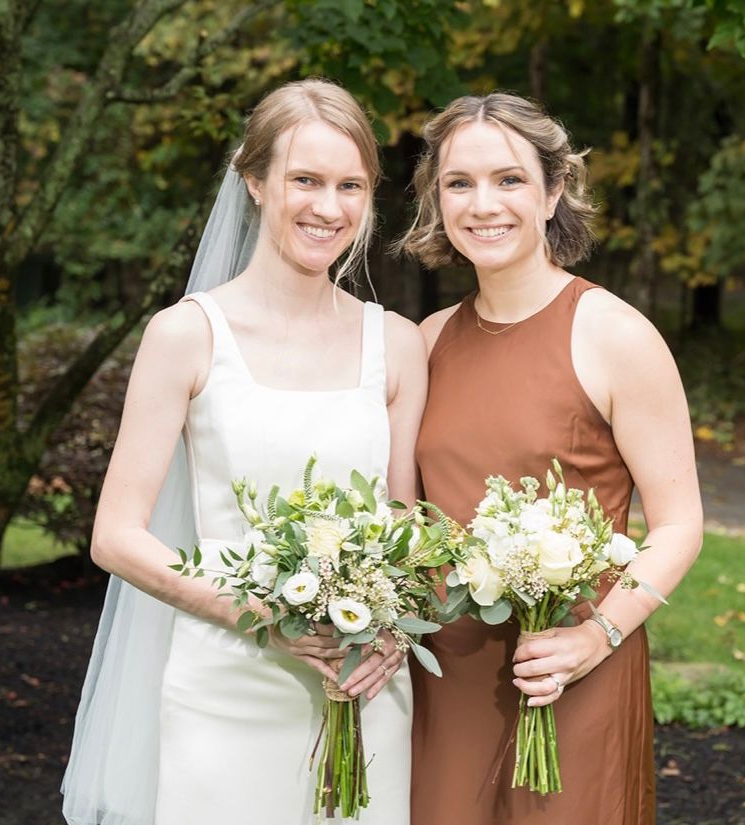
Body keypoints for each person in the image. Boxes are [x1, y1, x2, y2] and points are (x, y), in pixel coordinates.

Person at [61, 78, 427, 825]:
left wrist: (394, 621)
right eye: (305, 179)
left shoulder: (394, 342)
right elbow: (116, 537)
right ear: (254, 181)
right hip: (226, 687)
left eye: (350, 185)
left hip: (364, 687)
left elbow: (402, 520)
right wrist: (270, 618)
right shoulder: (187, 335)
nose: (329, 207)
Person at [399, 92, 703, 824]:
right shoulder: (427, 339)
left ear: (553, 190)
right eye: (459, 183)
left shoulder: (614, 335)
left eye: (509, 179)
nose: (483, 204)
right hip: (450, 672)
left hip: (570, 667)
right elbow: (406, 510)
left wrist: (596, 635)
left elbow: (681, 523)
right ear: (437, 199)